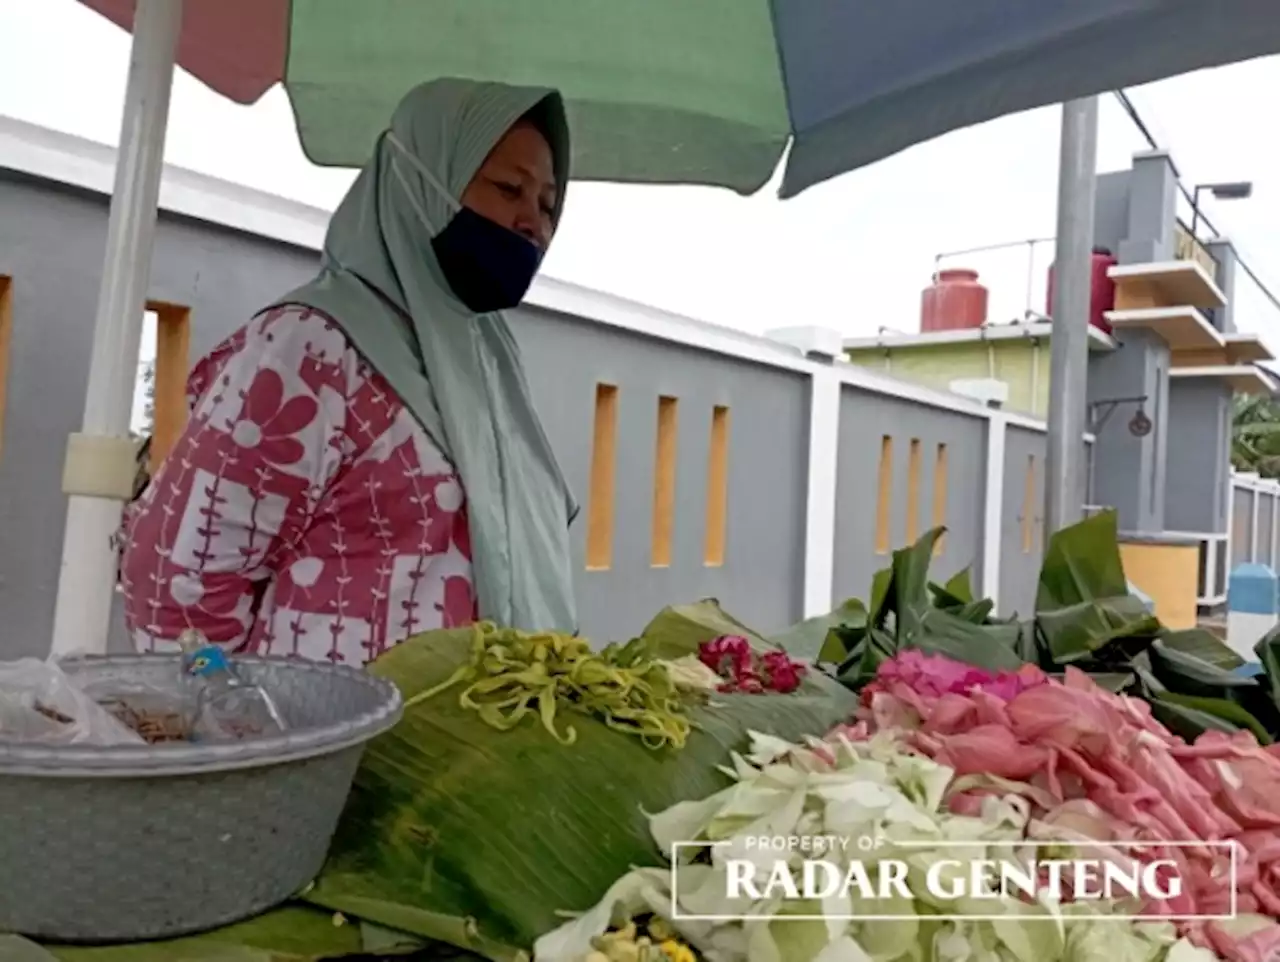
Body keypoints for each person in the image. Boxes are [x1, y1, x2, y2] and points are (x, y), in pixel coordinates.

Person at [119, 78, 579, 664]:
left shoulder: (487, 364)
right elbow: (173, 578)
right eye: (509, 187)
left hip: (470, 747)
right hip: (333, 744)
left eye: (546, 204)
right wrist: (240, 731)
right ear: (418, 178)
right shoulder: (312, 350)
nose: (531, 224)